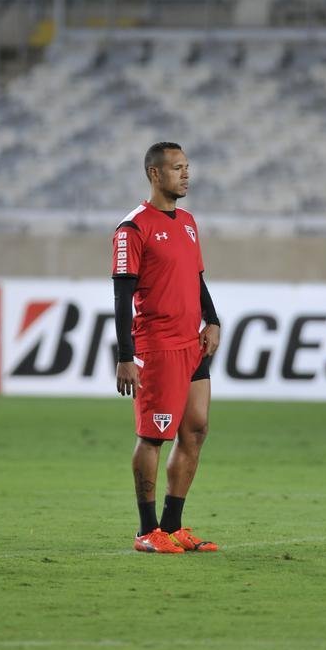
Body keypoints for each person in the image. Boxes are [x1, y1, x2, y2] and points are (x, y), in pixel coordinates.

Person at [112, 142, 221, 553]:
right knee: (153, 437)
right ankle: (146, 531)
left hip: (192, 343)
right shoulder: (133, 228)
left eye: (187, 167)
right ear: (155, 174)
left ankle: (172, 527)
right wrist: (126, 357)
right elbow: (122, 297)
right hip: (157, 347)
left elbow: (196, 278)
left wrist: (212, 319)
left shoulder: (188, 222)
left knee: (195, 430)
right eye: (177, 168)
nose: (186, 174)